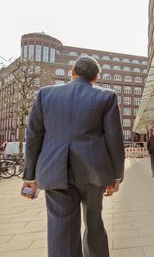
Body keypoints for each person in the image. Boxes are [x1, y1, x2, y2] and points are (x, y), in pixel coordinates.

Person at [21, 56, 125, 257]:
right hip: (93, 173)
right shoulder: (107, 96)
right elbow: (115, 139)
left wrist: (29, 176)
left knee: (61, 228)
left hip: (54, 171)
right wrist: (117, 176)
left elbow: (33, 135)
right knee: (94, 221)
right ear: (95, 78)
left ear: (72, 72)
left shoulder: (45, 95)